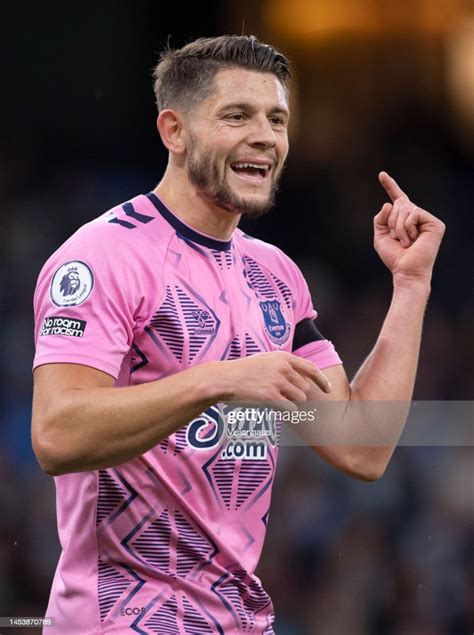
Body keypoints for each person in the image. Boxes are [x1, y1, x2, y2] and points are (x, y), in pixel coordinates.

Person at [32, 35, 445, 634]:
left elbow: (361, 445)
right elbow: (55, 434)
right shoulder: (103, 257)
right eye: (237, 116)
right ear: (174, 131)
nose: (266, 136)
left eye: (277, 119)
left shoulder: (274, 274)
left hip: (240, 622)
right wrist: (219, 380)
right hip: (120, 620)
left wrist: (410, 288)